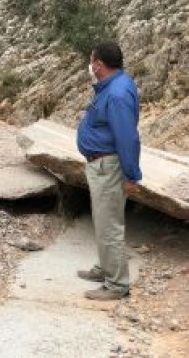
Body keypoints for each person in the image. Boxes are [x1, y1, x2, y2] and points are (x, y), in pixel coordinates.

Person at [76, 42, 142, 301]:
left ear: (99, 64)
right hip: (101, 165)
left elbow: (127, 138)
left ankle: (117, 285)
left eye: (91, 61)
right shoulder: (114, 85)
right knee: (102, 221)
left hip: (108, 167)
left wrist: (131, 175)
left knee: (109, 225)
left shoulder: (116, 93)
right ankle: (105, 268)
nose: (90, 66)